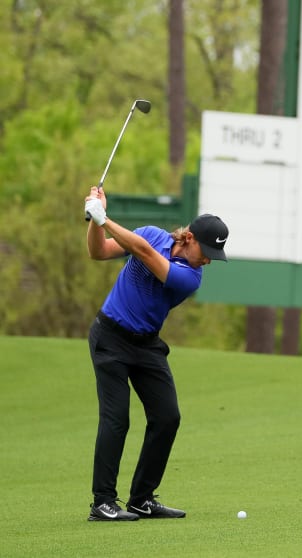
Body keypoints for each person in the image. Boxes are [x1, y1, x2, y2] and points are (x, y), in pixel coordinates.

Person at [83, 186, 229, 521]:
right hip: (110, 337)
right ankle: (102, 502)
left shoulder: (190, 277)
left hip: (147, 345)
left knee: (167, 417)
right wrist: (94, 220)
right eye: (205, 250)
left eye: (213, 255)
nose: (208, 259)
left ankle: (141, 499)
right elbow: (98, 252)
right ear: (188, 237)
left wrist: (105, 218)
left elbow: (147, 256)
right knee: (116, 419)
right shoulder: (151, 234)